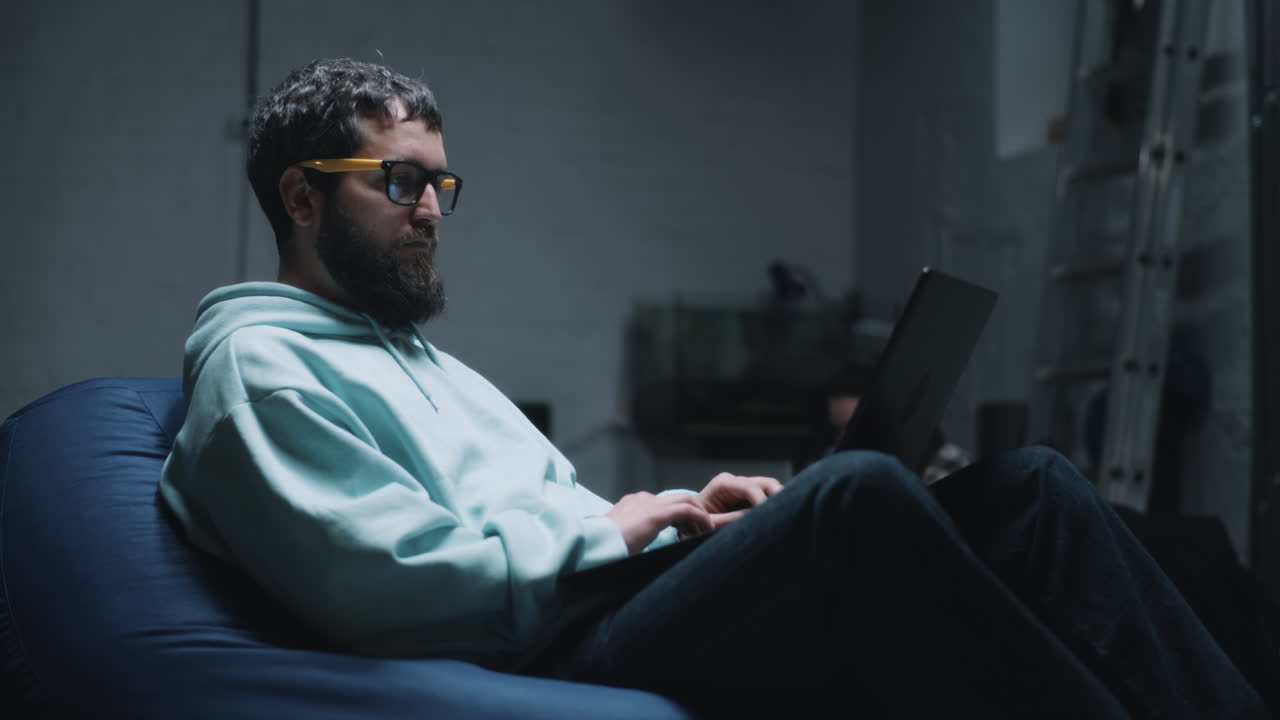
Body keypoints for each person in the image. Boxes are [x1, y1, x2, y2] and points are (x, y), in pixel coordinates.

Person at [159, 57, 1270, 718]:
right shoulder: (262, 369)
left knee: (1031, 487)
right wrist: (615, 534)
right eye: (399, 181)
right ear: (301, 199)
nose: (431, 212)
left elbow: (549, 516)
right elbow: (381, 584)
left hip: (602, 593)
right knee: (855, 497)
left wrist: (679, 516)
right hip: (551, 650)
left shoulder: (415, 359)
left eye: (440, 185)